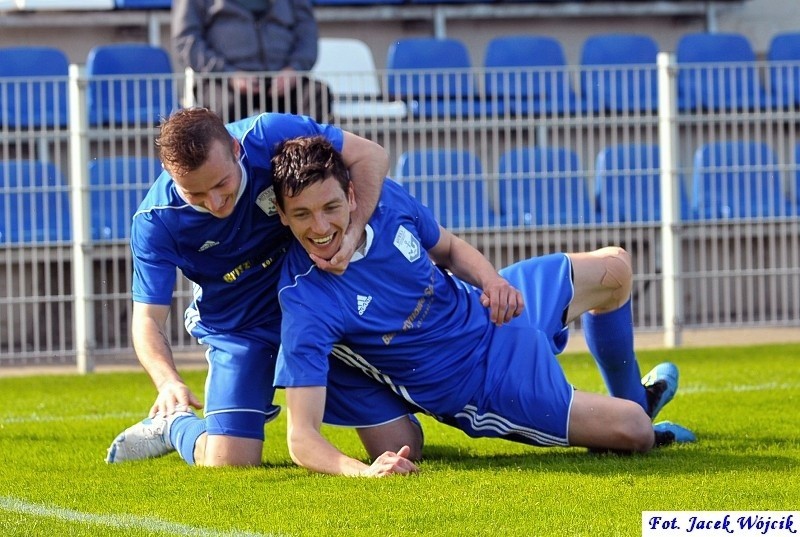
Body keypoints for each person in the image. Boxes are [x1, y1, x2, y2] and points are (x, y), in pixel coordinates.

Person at [270, 135, 697, 477]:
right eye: (303, 214)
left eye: (330, 207)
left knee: (615, 268)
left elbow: (450, 248)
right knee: (635, 431)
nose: (321, 226)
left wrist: (494, 281)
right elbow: (301, 438)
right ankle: (634, 415)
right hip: (483, 386)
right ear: (284, 216)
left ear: (351, 193)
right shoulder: (306, 299)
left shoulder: (385, 203)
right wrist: (362, 472)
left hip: (490, 309)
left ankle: (632, 396)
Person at [104, 108, 422, 468]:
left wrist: (351, 235)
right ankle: (174, 425)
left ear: (237, 149)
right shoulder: (156, 221)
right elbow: (147, 319)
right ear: (170, 175)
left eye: (222, 184)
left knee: (402, 445)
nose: (215, 203)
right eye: (196, 194)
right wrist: (168, 382)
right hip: (241, 328)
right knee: (229, 463)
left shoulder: (270, 135)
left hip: (316, 310)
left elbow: (372, 156)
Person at [172, 0, 332, 123]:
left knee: (316, 94)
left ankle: (308, 162)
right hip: (222, 81)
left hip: (284, 79)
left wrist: (294, 69)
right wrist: (229, 74)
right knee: (226, 106)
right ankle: (235, 164)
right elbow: (186, 41)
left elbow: (307, 34)